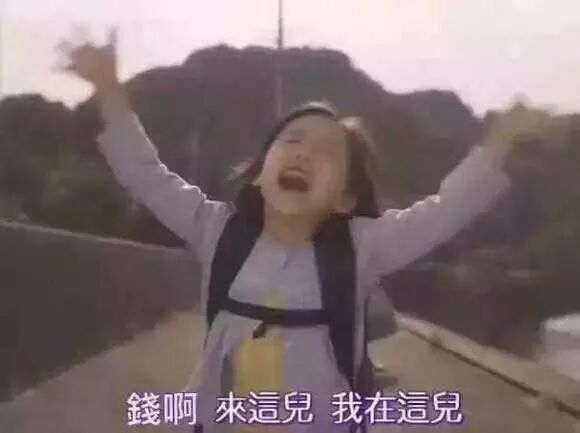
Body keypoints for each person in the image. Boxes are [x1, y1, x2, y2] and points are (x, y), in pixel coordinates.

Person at [57, 29, 559, 433]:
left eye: (324, 151)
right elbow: (146, 175)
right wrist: (109, 89)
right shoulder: (217, 229)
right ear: (259, 173)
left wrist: (499, 145)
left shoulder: (362, 248)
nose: (302, 153)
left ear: (345, 199)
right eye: (292, 141)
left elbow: (443, 211)